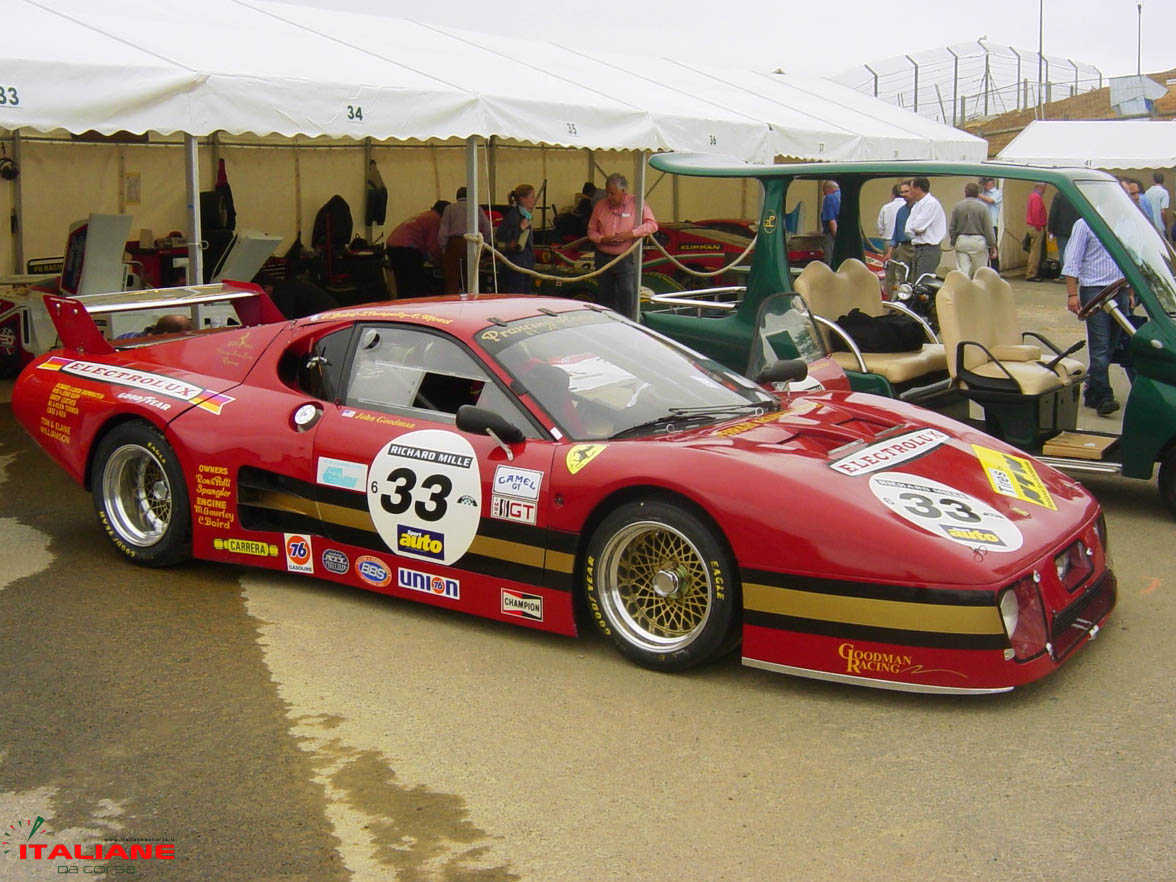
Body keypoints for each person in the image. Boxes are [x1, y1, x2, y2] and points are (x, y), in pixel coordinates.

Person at [1063, 219, 1132, 416]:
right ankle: (1104, 396)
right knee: (1100, 345)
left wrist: (1131, 291)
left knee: (1112, 345)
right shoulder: (1085, 224)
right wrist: (1072, 293)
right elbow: (1072, 260)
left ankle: (1092, 389)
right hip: (1095, 290)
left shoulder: (1123, 224)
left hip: (1120, 289)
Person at [587, 173, 658, 316]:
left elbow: (652, 225)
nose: (609, 197)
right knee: (605, 294)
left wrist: (631, 234)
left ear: (623, 191)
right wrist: (602, 239)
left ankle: (627, 321)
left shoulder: (637, 204)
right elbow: (591, 231)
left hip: (623, 258)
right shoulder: (600, 205)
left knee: (626, 291)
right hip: (602, 257)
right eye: (607, 193)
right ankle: (608, 322)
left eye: (612, 193)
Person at [437, 186, 494, 295]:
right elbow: (487, 228)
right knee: (471, 278)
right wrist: (482, 246)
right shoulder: (476, 208)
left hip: (454, 244)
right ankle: (471, 300)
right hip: (472, 243)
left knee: (451, 280)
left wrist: (444, 249)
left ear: (457, 197)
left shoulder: (449, 208)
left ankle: (451, 301)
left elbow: (443, 232)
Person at [386, 200, 448, 297]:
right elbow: (433, 246)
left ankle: (404, 305)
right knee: (415, 285)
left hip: (392, 245)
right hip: (406, 248)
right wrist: (441, 265)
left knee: (403, 283)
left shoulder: (426, 215)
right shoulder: (436, 220)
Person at [495, 184, 537, 294]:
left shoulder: (525, 216)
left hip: (525, 262)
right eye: (532, 196)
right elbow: (501, 235)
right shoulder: (513, 216)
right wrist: (519, 228)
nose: (534, 200)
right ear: (522, 199)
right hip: (516, 263)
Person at [948, 182, 997, 278]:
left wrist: (954, 241)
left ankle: (963, 290)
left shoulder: (958, 206)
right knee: (980, 272)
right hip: (978, 241)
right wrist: (992, 245)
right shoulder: (983, 208)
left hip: (962, 240)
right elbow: (988, 228)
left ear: (965, 192)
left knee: (962, 272)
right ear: (977, 193)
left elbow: (952, 227)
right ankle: (977, 291)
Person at [904, 177, 946, 282]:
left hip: (929, 249)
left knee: (923, 282)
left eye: (911, 189)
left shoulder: (931, 203)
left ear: (918, 189)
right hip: (917, 248)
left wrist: (916, 229)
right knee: (914, 281)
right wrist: (916, 230)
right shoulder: (917, 205)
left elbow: (918, 227)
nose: (910, 192)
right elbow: (908, 229)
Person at [882, 180, 915, 293]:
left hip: (918, 247)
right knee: (902, 277)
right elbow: (895, 234)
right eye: (902, 192)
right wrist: (890, 252)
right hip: (904, 248)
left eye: (906, 191)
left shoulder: (922, 208)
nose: (904, 194)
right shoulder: (901, 211)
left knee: (916, 278)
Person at [1047, 190, 1080, 280]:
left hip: (1061, 230)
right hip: (1075, 230)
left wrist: (1051, 228)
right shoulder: (1078, 195)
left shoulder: (1059, 195)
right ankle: (1074, 275)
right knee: (1075, 253)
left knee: (1063, 253)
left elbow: (1053, 212)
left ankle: (1064, 276)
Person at [1024, 183, 1048, 281]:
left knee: (1034, 251)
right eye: (1045, 187)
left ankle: (1032, 272)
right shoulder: (1036, 198)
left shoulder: (1033, 196)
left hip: (1033, 226)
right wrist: (1038, 226)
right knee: (1035, 252)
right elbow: (1036, 212)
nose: (1046, 189)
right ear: (1040, 187)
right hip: (1036, 227)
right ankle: (1031, 273)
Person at [978, 176, 1002, 267]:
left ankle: (995, 271)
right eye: (983, 183)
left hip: (992, 225)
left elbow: (991, 200)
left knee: (993, 249)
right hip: (982, 225)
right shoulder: (982, 193)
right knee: (984, 250)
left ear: (992, 182)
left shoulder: (997, 193)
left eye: (987, 182)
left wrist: (977, 194)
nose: (985, 185)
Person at [820, 181, 841, 266]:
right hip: (846, 235)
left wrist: (837, 238)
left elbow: (831, 220)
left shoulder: (829, 198)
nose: (824, 194)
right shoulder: (844, 196)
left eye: (824, 191)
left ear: (828, 189)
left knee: (829, 261)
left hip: (832, 236)